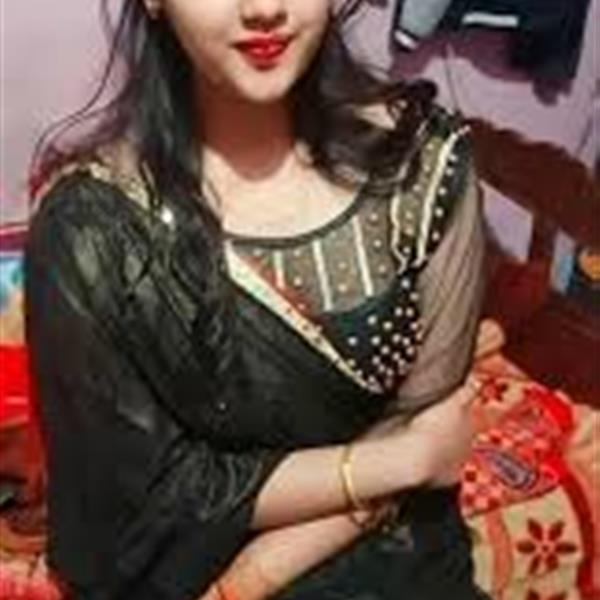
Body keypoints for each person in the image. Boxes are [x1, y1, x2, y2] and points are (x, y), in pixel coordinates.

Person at [24, 0, 491, 598]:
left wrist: (259, 572)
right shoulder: (91, 228)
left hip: (408, 566)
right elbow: (136, 504)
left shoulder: (420, 164)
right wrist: (403, 461)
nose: (265, 9)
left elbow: (431, 427)